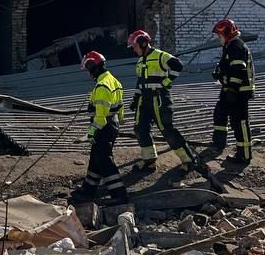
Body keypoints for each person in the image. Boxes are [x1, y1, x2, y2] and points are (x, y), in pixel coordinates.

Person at [129, 29, 196, 170]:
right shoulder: (140, 61)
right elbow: (139, 82)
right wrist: (135, 98)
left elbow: (178, 65)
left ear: (142, 43)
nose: (133, 50)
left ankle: (188, 160)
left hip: (159, 98)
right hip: (144, 100)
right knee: (140, 129)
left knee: (167, 129)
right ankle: (149, 160)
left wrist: (167, 81)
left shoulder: (160, 56)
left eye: (134, 46)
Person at [70, 51, 128, 206]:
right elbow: (120, 107)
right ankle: (88, 190)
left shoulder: (102, 86)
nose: (89, 74)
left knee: (105, 161)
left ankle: (119, 194)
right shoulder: (113, 81)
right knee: (95, 159)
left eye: (89, 70)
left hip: (104, 128)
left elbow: (100, 118)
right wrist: (119, 121)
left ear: (93, 68)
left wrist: (89, 134)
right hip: (112, 125)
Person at [208, 18, 255, 166]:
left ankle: (244, 155)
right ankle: (218, 144)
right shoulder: (230, 46)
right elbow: (228, 67)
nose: (218, 39)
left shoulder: (236, 47)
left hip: (239, 92)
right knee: (220, 113)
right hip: (229, 90)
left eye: (220, 36)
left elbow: (238, 71)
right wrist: (220, 73)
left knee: (239, 123)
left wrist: (232, 90)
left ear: (227, 35)